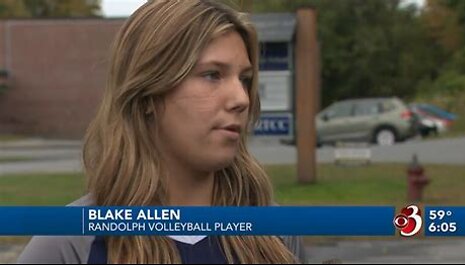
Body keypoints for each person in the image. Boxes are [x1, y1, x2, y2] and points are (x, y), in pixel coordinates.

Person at [17, 0, 305, 263]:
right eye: (212, 75)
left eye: (244, 79)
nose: (241, 98)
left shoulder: (275, 235)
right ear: (147, 96)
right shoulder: (71, 243)